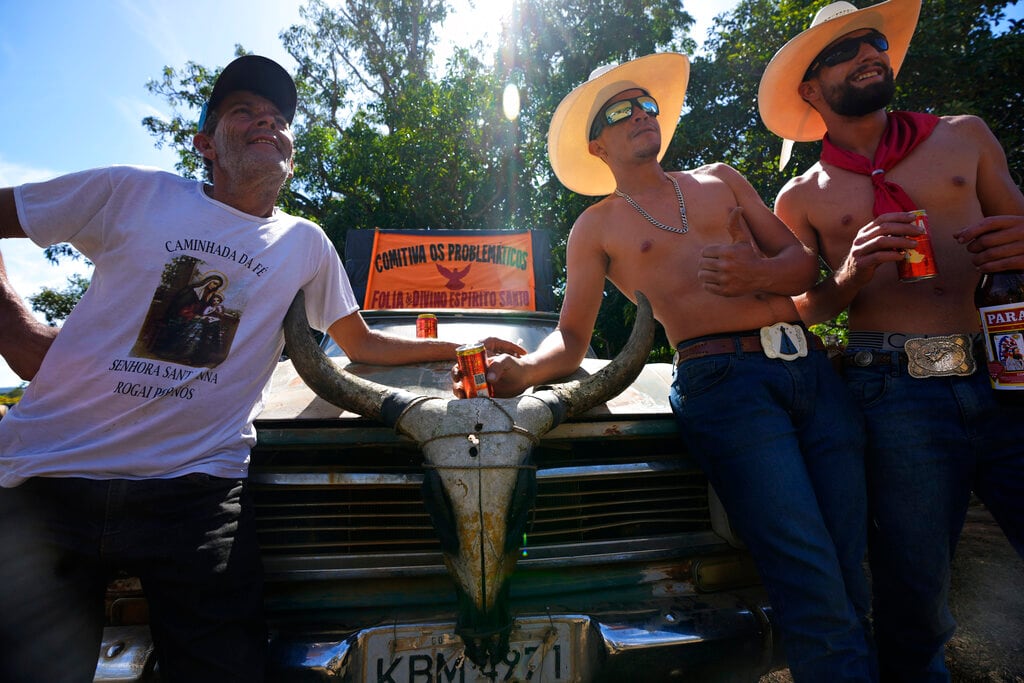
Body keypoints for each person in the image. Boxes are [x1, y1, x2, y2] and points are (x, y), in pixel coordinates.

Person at [0, 54, 522, 682]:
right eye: (242, 111)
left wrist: (465, 349)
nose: (265, 122)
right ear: (205, 144)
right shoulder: (131, 191)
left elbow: (362, 346)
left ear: (291, 154)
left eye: (277, 117)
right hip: (46, 474)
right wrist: (17, 331)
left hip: (194, 490)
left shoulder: (306, 243)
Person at [470, 53, 877, 682]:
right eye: (619, 111)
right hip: (724, 384)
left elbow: (802, 266)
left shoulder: (721, 178)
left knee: (852, 560)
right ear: (597, 144)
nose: (639, 115)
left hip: (809, 369)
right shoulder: (595, 226)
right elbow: (571, 338)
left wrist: (760, 273)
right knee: (806, 566)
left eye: (647, 106)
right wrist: (522, 374)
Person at [759, 0, 1024, 680]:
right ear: (811, 91)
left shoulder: (965, 137)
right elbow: (794, 311)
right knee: (914, 599)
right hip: (893, 393)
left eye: (873, 41)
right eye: (843, 52)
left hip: (1009, 370)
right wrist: (848, 274)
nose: (869, 55)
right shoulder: (799, 197)